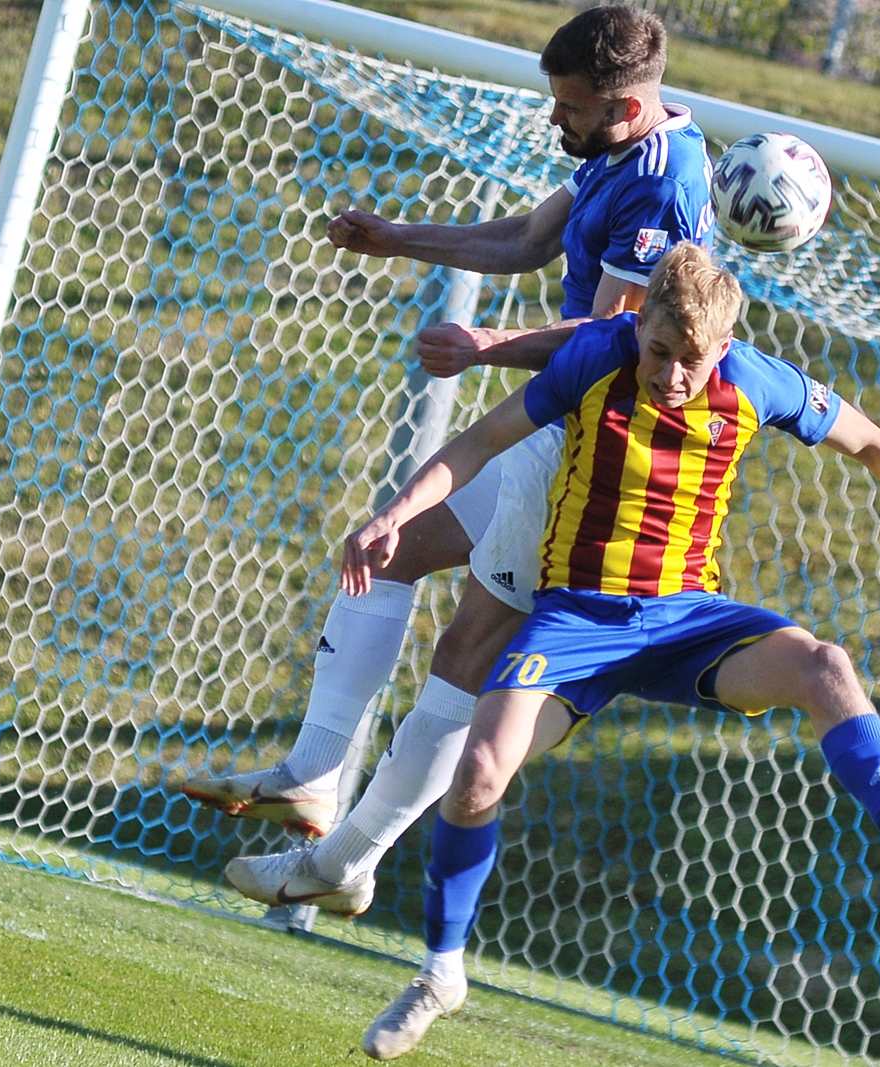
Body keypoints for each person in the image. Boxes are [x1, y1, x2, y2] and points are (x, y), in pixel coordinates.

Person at [230, 244, 880, 1059]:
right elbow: (479, 440)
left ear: (723, 349)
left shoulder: (757, 383)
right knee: (478, 773)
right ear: (637, 322)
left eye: (692, 361)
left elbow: (877, 445)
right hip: (576, 620)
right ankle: (441, 972)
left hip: (685, 619)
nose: (671, 376)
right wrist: (394, 515)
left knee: (826, 666)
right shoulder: (594, 356)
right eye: (658, 351)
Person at [182, 6, 716, 915]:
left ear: (625, 106)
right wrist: (397, 236)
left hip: (588, 456)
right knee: (385, 550)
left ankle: (348, 859)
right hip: (554, 426)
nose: (556, 118)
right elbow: (526, 240)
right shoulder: (618, 153)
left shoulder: (665, 183)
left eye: (570, 106)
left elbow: (617, 339)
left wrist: (487, 346)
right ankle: (311, 776)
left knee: (469, 646)